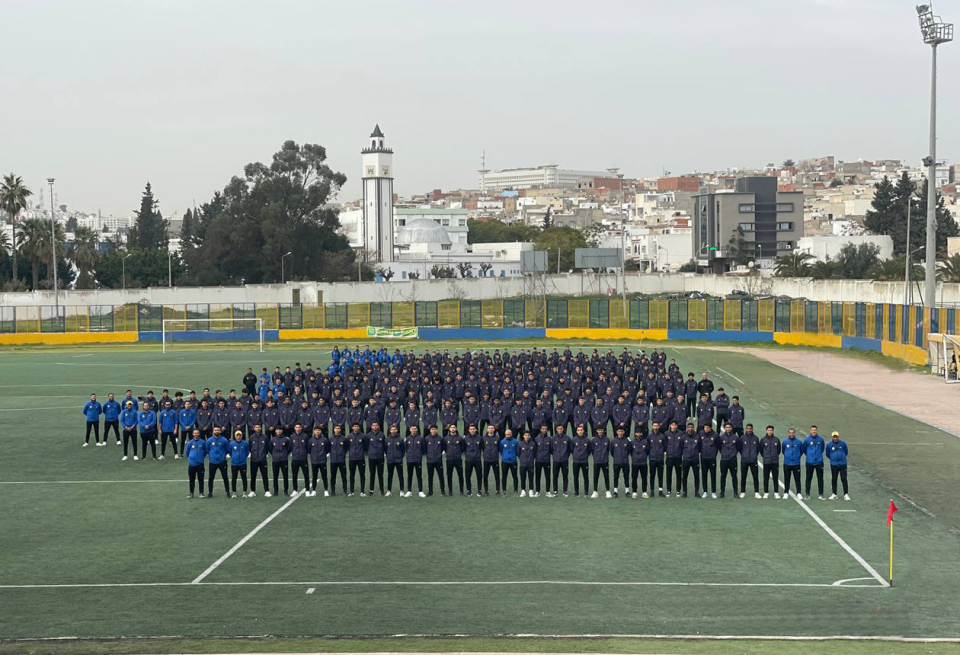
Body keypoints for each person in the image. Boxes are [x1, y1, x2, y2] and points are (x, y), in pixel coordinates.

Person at [802, 425, 826, 500]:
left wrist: (818, 456)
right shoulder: (807, 440)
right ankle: (807, 494)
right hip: (810, 462)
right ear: (810, 431)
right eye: (812, 430)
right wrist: (810, 456)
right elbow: (804, 450)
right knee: (808, 478)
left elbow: (822, 449)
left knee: (820, 478)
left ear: (817, 430)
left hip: (819, 462)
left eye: (815, 430)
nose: (813, 431)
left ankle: (821, 494)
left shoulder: (821, 439)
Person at [206, 427, 230, 498]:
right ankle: (210, 492)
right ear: (213, 431)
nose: (217, 431)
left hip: (222, 462)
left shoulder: (224, 440)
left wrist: (222, 456)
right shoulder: (209, 440)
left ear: (220, 431)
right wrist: (212, 455)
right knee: (211, 478)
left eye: (218, 430)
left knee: (225, 477)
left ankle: (227, 492)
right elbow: (207, 450)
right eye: (215, 430)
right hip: (212, 462)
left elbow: (227, 450)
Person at [826, 430, 850, 501]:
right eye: (834, 437)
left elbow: (846, 452)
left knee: (844, 479)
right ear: (832, 437)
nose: (835, 438)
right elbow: (827, 454)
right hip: (834, 464)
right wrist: (833, 459)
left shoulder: (843, 443)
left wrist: (841, 458)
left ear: (838, 437)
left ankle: (846, 494)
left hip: (842, 464)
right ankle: (834, 494)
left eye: (836, 437)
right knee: (834, 479)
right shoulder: (829, 445)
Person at [718, 423, 740, 498]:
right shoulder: (721, 437)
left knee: (734, 476)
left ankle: (735, 492)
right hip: (724, 460)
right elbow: (719, 447)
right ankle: (722, 492)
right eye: (726, 427)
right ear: (724, 428)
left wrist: (733, 454)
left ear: (731, 428)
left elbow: (738, 447)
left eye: (729, 427)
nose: (728, 428)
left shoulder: (735, 437)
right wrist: (724, 454)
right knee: (723, 476)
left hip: (733, 460)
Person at [248, 424, 270, 497]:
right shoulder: (251, 437)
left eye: (259, 427)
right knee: (253, 476)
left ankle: (267, 491)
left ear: (261, 428)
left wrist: (263, 454)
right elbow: (250, 447)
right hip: (254, 460)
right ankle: (252, 491)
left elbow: (267, 448)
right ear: (254, 428)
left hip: (262, 459)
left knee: (265, 475)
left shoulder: (265, 437)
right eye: (256, 427)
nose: (257, 428)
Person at [739, 424, 761, 499]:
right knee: (743, 477)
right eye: (747, 428)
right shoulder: (742, 438)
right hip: (744, 461)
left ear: (752, 429)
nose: (749, 430)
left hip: (753, 461)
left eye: (750, 428)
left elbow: (758, 449)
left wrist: (754, 455)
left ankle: (756, 492)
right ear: (746, 429)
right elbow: (740, 449)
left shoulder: (756, 438)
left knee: (755, 477)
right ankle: (742, 492)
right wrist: (744, 455)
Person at [760, 425, 781, 499]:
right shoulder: (763, 440)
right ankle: (766, 492)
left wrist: (774, 456)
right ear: (766, 431)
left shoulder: (776, 439)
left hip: (775, 462)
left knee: (775, 477)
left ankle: (776, 492)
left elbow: (779, 450)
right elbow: (761, 450)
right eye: (768, 430)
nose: (770, 431)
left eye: (771, 430)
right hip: (766, 462)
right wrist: (765, 456)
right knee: (766, 478)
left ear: (773, 431)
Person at [269, 426, 292, 497]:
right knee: (275, 476)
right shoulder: (272, 439)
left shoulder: (286, 439)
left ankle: (286, 490)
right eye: (277, 430)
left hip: (284, 460)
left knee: (285, 476)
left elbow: (289, 448)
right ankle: (276, 491)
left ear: (282, 431)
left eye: (280, 430)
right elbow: (270, 449)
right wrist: (274, 455)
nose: (279, 431)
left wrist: (285, 454)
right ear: (275, 431)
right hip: (275, 460)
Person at [590, 426, 611, 499]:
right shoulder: (593, 440)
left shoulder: (607, 439)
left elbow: (608, 450)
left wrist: (605, 456)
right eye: (599, 430)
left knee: (606, 476)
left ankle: (608, 491)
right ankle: (595, 491)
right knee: (596, 476)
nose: (600, 431)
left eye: (601, 430)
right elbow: (592, 450)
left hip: (605, 461)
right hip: (597, 461)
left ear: (603, 430)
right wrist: (596, 457)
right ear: (597, 431)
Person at [347, 423, 368, 497]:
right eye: (355, 426)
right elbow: (347, 446)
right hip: (352, 458)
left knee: (362, 474)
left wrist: (361, 452)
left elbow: (366, 446)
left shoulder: (363, 436)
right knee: (351, 475)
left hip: (360, 458)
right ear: (352, 427)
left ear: (359, 427)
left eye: (357, 426)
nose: (356, 427)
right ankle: (352, 491)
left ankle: (362, 491)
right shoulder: (349, 436)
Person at [184, 429, 207, 498]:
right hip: (192, 464)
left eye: (197, 433)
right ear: (193, 434)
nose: (196, 434)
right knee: (191, 479)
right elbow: (187, 452)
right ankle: (191, 493)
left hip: (200, 464)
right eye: (195, 433)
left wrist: (201, 457)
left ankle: (201, 493)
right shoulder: (190, 443)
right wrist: (191, 458)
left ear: (199, 434)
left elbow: (205, 451)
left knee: (201, 479)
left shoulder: (203, 442)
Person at [680, 423, 701, 498]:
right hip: (686, 459)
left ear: (693, 428)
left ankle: (696, 492)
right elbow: (681, 447)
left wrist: (695, 453)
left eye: (691, 427)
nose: (690, 428)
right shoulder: (683, 437)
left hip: (695, 459)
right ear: (687, 428)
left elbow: (700, 447)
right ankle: (684, 492)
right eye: (689, 427)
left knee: (696, 476)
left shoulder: (697, 437)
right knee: (684, 476)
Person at [444, 424, 465, 496]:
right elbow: (445, 448)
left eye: (454, 427)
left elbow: (462, 448)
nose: (453, 429)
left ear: (456, 428)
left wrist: (458, 453)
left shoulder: (460, 438)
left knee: (460, 475)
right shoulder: (446, 438)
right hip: (449, 459)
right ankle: (450, 491)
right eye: (451, 427)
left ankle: (461, 491)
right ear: (449, 429)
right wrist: (449, 454)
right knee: (449, 475)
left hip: (458, 459)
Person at [424, 424, 446, 497]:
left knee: (441, 476)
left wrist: (439, 455)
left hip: (438, 461)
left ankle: (442, 491)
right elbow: (425, 449)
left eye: (435, 429)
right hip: (430, 461)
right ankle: (430, 492)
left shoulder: (440, 438)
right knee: (430, 476)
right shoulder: (426, 439)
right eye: (432, 429)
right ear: (430, 430)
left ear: (437, 430)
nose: (434, 430)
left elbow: (443, 448)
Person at [366, 422, 386, 496]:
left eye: (376, 425)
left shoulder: (382, 435)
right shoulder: (368, 435)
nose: (375, 426)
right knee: (372, 474)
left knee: (380, 474)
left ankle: (382, 490)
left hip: (380, 457)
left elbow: (384, 445)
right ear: (371, 427)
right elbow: (366, 446)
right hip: (371, 457)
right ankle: (371, 490)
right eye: (373, 425)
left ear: (378, 426)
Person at [781, 428, 803, 499]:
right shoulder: (785, 442)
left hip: (796, 463)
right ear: (788, 433)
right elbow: (783, 451)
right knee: (787, 478)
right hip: (787, 463)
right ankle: (786, 492)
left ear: (794, 433)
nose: (791, 434)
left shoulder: (799, 442)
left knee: (797, 478)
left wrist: (797, 457)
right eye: (790, 433)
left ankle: (799, 493)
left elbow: (801, 451)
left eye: (792, 432)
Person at [308, 426, 329, 498]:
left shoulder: (325, 440)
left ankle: (326, 490)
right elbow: (309, 450)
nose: (317, 431)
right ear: (314, 431)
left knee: (324, 476)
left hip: (322, 461)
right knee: (314, 476)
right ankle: (314, 490)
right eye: (316, 430)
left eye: (319, 430)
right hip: (314, 461)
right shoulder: (310, 440)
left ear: (321, 431)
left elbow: (327, 449)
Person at [404, 425, 425, 497]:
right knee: (409, 475)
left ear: (417, 430)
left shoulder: (421, 438)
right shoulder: (407, 439)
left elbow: (423, 449)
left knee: (419, 476)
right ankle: (409, 491)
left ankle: (420, 491)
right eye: (412, 429)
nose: (413, 430)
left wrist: (419, 455)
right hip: (409, 460)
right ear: (410, 430)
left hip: (418, 459)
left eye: (415, 429)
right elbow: (406, 449)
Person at [550, 425, 571, 498]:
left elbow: (569, 449)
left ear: (563, 429)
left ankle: (565, 491)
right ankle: (555, 491)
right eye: (558, 429)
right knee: (555, 476)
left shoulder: (567, 438)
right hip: (556, 460)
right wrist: (555, 456)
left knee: (565, 476)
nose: (560, 430)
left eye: (561, 428)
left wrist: (566, 456)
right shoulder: (553, 438)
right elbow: (551, 449)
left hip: (564, 460)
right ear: (556, 429)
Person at [699, 423, 719, 499]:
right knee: (704, 474)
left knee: (713, 475)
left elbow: (717, 446)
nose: (706, 429)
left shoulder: (715, 435)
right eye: (705, 427)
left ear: (710, 428)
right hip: (703, 457)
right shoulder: (700, 434)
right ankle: (705, 491)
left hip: (712, 458)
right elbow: (699, 444)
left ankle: (713, 492)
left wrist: (713, 454)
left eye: (707, 428)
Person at [664, 420, 683, 497]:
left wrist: (680, 453)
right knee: (668, 474)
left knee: (679, 474)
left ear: (677, 426)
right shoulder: (666, 433)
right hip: (669, 457)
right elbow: (665, 444)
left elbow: (682, 445)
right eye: (672, 425)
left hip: (678, 457)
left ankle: (678, 490)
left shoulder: (681, 433)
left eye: (675, 425)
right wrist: (667, 451)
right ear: (670, 425)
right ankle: (669, 490)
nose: (673, 426)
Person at [463, 424, 483, 497]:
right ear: (469, 430)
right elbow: (463, 448)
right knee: (468, 476)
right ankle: (469, 491)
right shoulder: (465, 439)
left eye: (473, 429)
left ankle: (479, 490)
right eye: (471, 429)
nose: (472, 430)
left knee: (479, 476)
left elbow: (482, 447)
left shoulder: (480, 438)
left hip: (477, 460)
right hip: (468, 460)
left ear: (476, 430)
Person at [384, 425, 405, 497]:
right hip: (390, 460)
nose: (393, 431)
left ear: (397, 430)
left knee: (400, 475)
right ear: (390, 431)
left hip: (398, 460)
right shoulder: (387, 439)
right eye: (392, 429)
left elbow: (403, 450)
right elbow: (386, 450)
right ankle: (389, 491)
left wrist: (400, 456)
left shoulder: (401, 439)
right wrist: (389, 455)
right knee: (390, 476)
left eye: (394, 429)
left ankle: (402, 490)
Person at [290, 423, 310, 496]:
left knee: (306, 475)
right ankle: (295, 490)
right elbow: (290, 446)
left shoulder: (305, 436)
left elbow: (308, 446)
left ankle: (307, 490)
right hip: (295, 459)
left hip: (303, 459)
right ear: (294, 428)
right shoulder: (292, 436)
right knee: (294, 475)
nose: (298, 428)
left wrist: (304, 453)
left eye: (299, 427)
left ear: (301, 428)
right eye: (296, 427)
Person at [610, 427, 631, 499]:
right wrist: (616, 457)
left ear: (624, 432)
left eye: (622, 431)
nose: (620, 433)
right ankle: (615, 491)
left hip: (625, 462)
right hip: (616, 462)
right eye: (619, 431)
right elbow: (612, 452)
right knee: (616, 476)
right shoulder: (613, 441)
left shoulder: (627, 441)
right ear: (617, 432)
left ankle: (627, 491)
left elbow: (629, 451)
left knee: (626, 476)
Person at [571, 425, 591, 498]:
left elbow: (589, 450)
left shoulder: (587, 440)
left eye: (581, 430)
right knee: (576, 477)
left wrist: (585, 455)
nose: (580, 431)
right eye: (578, 430)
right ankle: (576, 492)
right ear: (576, 431)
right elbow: (571, 449)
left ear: (583, 431)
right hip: (576, 461)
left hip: (584, 461)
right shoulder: (573, 440)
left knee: (586, 477)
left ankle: (586, 492)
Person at [328, 425, 348, 496]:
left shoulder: (344, 439)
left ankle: (345, 490)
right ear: (333, 430)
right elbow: (328, 448)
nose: (337, 429)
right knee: (333, 476)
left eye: (338, 428)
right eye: (336, 428)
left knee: (344, 476)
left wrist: (342, 454)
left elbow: (346, 448)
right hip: (333, 461)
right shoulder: (330, 439)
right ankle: (333, 490)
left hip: (341, 460)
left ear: (340, 430)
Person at [229, 430, 249, 498]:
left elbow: (247, 453)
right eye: (237, 435)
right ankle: (234, 492)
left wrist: (243, 458)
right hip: (234, 464)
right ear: (235, 436)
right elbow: (230, 452)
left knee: (244, 478)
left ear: (242, 436)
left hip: (243, 464)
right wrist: (235, 458)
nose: (238, 437)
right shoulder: (231, 444)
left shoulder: (245, 443)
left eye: (239, 435)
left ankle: (244, 492)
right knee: (234, 478)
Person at [481, 425, 501, 496]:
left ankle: (497, 490)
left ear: (494, 429)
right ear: (487, 429)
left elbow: (499, 448)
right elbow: (482, 448)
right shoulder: (483, 438)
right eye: (489, 428)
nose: (491, 429)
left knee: (497, 475)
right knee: (485, 476)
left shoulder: (497, 438)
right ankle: (486, 491)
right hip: (486, 459)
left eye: (492, 428)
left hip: (495, 459)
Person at [647, 424, 665, 498]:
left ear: (659, 427)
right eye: (654, 426)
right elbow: (647, 448)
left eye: (657, 426)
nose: (656, 427)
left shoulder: (662, 436)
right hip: (652, 459)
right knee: (652, 475)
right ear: (652, 427)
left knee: (660, 475)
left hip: (660, 459)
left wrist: (661, 453)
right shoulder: (649, 437)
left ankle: (660, 491)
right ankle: (652, 491)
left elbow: (665, 447)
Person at [533, 425, 552, 497]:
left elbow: (551, 449)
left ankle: (548, 491)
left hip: (547, 460)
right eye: (543, 429)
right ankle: (537, 491)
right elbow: (535, 450)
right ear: (540, 430)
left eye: (545, 429)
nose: (544, 430)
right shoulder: (536, 439)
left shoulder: (549, 439)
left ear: (547, 430)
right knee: (538, 476)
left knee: (548, 476)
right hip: (538, 460)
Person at [630, 428, 649, 498]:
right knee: (634, 478)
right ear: (635, 433)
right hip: (635, 463)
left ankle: (644, 492)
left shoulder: (645, 442)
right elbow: (631, 452)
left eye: (640, 432)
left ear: (641, 433)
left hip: (643, 463)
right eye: (637, 432)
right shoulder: (632, 442)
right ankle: (634, 491)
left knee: (644, 478)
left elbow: (647, 451)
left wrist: (643, 457)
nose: (638, 434)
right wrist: (634, 457)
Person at [499, 428, 519, 494]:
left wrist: (514, 456)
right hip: (505, 461)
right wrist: (505, 456)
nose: (507, 436)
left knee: (515, 476)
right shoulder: (502, 442)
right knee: (504, 476)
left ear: (511, 434)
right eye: (506, 434)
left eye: (508, 434)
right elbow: (501, 451)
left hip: (513, 461)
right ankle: (504, 490)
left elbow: (517, 450)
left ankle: (515, 490)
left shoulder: (516, 442)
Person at [517, 430, 536, 497]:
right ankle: (523, 490)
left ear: (530, 436)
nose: (527, 436)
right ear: (523, 436)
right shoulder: (520, 444)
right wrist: (522, 459)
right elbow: (518, 453)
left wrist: (531, 459)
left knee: (531, 477)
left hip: (530, 464)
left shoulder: (533, 444)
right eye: (525, 435)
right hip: (523, 464)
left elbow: (535, 453)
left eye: (528, 435)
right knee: (523, 477)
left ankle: (531, 490)